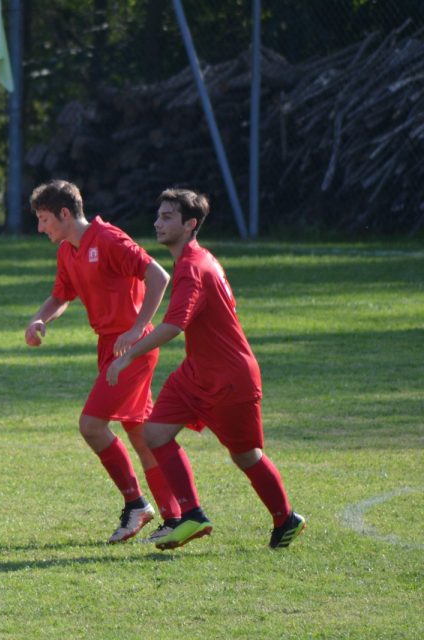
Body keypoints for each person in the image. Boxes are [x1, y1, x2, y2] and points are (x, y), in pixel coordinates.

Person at [107, 188, 306, 550]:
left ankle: (286, 518)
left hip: (230, 379)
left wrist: (128, 355)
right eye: (159, 215)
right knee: (154, 435)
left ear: (190, 224)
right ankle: (193, 515)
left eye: (168, 216)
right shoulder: (193, 261)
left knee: (246, 456)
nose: (157, 222)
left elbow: (174, 325)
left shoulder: (193, 268)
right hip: (196, 374)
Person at [24, 180, 180, 544]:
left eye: (44, 219)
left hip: (132, 347)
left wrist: (138, 328)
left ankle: (136, 504)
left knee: (92, 425)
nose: (40, 228)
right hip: (109, 345)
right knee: (141, 434)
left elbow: (159, 275)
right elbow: (61, 295)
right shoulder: (68, 251)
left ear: (64, 214)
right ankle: (176, 516)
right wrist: (40, 318)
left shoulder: (109, 239)